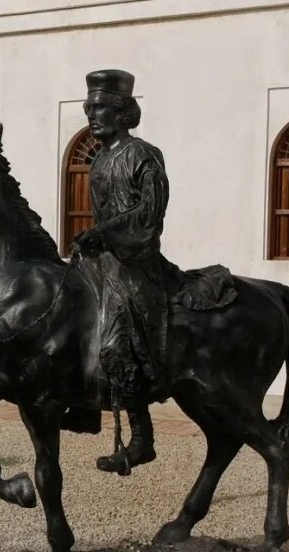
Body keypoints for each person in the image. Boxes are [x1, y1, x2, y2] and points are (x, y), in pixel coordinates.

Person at [72, 69, 175, 473]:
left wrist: (104, 233)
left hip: (135, 263)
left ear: (122, 112)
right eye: (88, 108)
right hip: (102, 262)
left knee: (115, 341)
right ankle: (83, 407)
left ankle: (142, 437)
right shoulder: (98, 159)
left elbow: (149, 214)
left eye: (99, 108)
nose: (91, 116)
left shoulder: (144, 154)